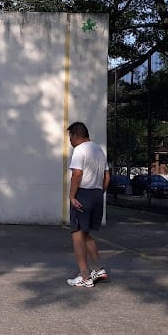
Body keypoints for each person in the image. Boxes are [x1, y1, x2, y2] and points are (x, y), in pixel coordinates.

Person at [65, 121, 110, 288]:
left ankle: (84, 275)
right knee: (85, 233)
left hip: (82, 194)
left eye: (70, 138)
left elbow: (77, 174)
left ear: (77, 136)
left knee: (76, 235)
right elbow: (107, 177)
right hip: (97, 194)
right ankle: (98, 269)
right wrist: (100, 194)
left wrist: (71, 196)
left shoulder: (79, 150)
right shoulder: (99, 150)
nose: (70, 142)